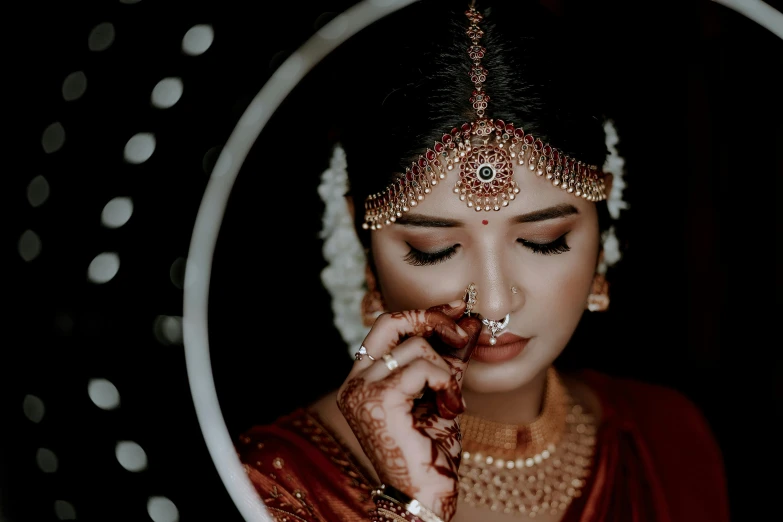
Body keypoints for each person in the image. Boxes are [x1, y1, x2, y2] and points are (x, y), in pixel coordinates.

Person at [234, 1, 730, 521]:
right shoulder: (272, 486)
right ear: (366, 245)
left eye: (545, 241)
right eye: (433, 250)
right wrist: (412, 508)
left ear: (602, 236)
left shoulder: (669, 440)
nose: (493, 302)